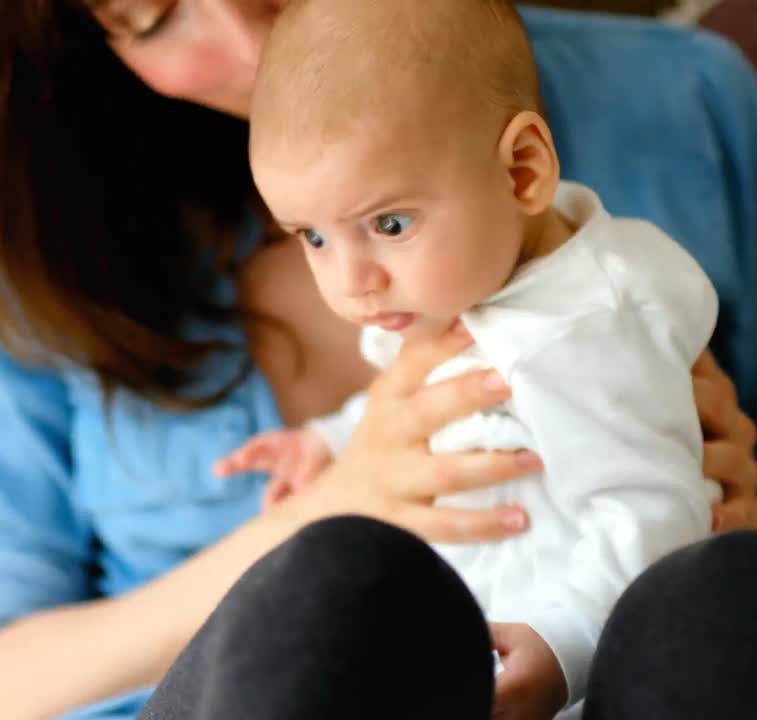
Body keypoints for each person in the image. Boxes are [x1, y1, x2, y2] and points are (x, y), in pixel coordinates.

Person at [0, 0, 757, 718]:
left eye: (387, 223)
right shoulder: (42, 233)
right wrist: (329, 498)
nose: (250, 37)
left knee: (748, 588)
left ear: (523, 165)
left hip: (623, 664)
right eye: (157, 10)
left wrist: (710, 520)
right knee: (345, 585)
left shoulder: (681, 108)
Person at [210, 3, 722, 714]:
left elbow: (654, 516)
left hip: (561, 669)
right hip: (459, 642)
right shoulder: (471, 284)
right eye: (314, 237)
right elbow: (445, 409)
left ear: (523, 172)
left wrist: (563, 643)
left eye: (389, 224)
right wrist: (328, 440)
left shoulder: (577, 334)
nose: (350, 281)